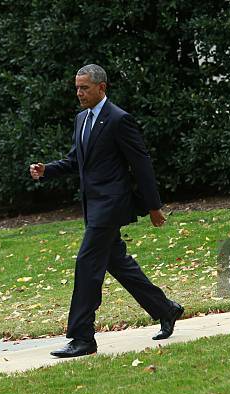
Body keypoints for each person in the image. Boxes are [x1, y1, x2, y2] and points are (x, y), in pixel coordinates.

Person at [29, 64, 183, 358]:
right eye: (77, 87)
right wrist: (46, 171)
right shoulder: (81, 120)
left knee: (87, 265)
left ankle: (82, 337)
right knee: (117, 262)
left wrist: (153, 206)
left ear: (102, 88)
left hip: (111, 206)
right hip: (93, 206)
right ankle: (166, 309)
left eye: (84, 88)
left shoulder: (119, 120)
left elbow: (141, 164)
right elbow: (77, 162)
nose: (79, 93)